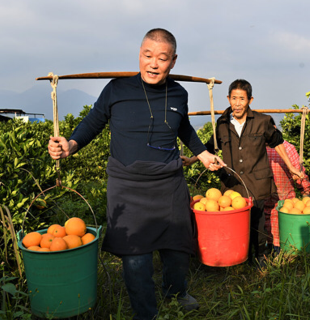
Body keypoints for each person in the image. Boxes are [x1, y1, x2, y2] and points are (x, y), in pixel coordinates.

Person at [47, 28, 225, 320]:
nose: (153, 64)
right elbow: (92, 123)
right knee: (136, 254)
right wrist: (71, 145)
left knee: (177, 245)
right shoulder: (117, 89)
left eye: (162, 58)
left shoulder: (179, 93)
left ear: (173, 61)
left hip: (169, 180)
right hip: (127, 183)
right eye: (147, 55)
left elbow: (183, 128)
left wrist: (203, 155)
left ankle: (176, 292)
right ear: (139, 55)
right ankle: (146, 313)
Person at [181, 79, 303, 267]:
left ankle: (261, 256)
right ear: (228, 98)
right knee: (237, 221)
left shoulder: (262, 122)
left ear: (250, 100)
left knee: (258, 220)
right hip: (233, 182)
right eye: (234, 98)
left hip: (258, 180)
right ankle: (239, 254)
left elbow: (278, 143)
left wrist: (292, 167)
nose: (237, 103)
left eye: (242, 99)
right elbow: (210, 148)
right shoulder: (222, 123)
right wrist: (192, 159)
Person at [264, 140, 310, 251]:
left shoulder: (255, 147)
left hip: (267, 199)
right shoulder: (288, 148)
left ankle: (268, 249)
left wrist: (305, 192)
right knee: (283, 223)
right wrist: (305, 192)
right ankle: (280, 249)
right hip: (286, 203)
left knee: (268, 220)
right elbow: (299, 174)